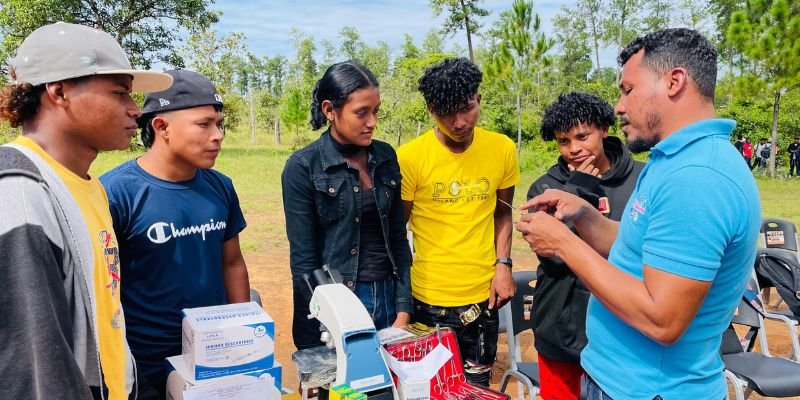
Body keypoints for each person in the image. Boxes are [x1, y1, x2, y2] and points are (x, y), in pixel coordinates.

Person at [516, 28, 760, 399]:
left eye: (628, 89)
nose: (619, 105)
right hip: (616, 380)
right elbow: (638, 246)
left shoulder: (697, 178)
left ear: (674, 81)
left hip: (648, 389)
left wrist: (565, 244)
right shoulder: (671, 159)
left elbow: (660, 318)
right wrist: (585, 216)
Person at [0, 22, 172, 399]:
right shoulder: (20, 192)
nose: (134, 110)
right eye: (119, 93)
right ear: (59, 92)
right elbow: (34, 363)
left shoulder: (90, 185)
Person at [99, 69, 250, 398]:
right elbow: (103, 289)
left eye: (219, 124)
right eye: (204, 124)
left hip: (213, 351)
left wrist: (242, 329)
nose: (218, 135)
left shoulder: (220, 187)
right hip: (147, 361)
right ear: (161, 126)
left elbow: (232, 263)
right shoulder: (116, 194)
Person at [397, 57, 519, 387]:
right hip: (427, 300)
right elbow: (398, 230)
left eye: (466, 108)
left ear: (479, 99)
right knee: (429, 388)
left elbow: (503, 212)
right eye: (445, 112)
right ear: (430, 110)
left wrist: (503, 265)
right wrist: (402, 299)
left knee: (476, 387)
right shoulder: (409, 157)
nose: (459, 121)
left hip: (484, 300)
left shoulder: (502, 148)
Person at [281, 61, 412, 351]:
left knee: (387, 391)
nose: (372, 122)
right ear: (330, 110)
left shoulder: (385, 156)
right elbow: (303, 261)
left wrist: (403, 306)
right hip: (338, 304)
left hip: (388, 299)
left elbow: (398, 238)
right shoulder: (303, 166)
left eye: (375, 111)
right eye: (361, 112)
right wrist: (329, 319)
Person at [526, 92, 644, 400]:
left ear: (604, 129)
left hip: (628, 331)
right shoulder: (544, 188)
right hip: (563, 331)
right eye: (563, 141)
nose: (574, 149)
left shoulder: (644, 179)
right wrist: (577, 189)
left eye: (582, 136)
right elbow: (553, 258)